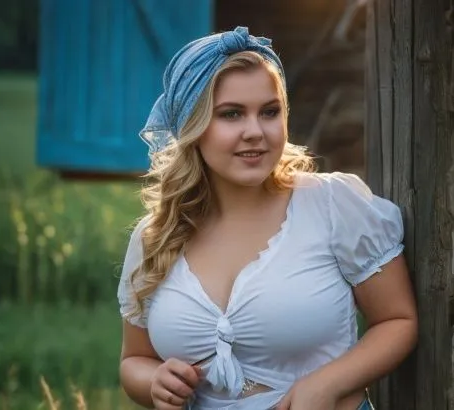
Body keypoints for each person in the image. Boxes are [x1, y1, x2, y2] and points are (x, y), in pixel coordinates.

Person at [117, 26, 418, 410]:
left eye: (270, 112)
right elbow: (133, 361)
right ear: (192, 127)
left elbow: (398, 320)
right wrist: (155, 381)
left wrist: (325, 384)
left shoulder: (331, 205)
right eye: (231, 114)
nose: (255, 132)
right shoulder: (155, 238)